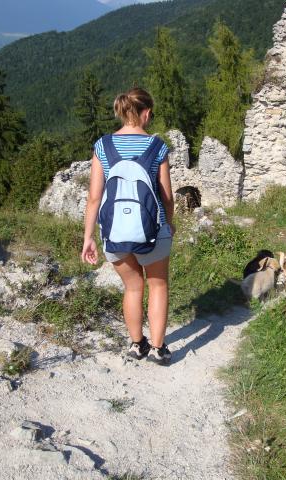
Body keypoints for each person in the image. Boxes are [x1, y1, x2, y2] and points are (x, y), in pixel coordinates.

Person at [81, 87, 175, 365]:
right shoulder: (157, 147)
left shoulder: (103, 145)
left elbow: (94, 197)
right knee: (158, 285)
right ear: (146, 113)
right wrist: (168, 224)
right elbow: (167, 197)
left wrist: (88, 237)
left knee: (133, 288)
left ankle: (137, 345)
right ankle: (158, 349)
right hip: (153, 231)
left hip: (115, 232)